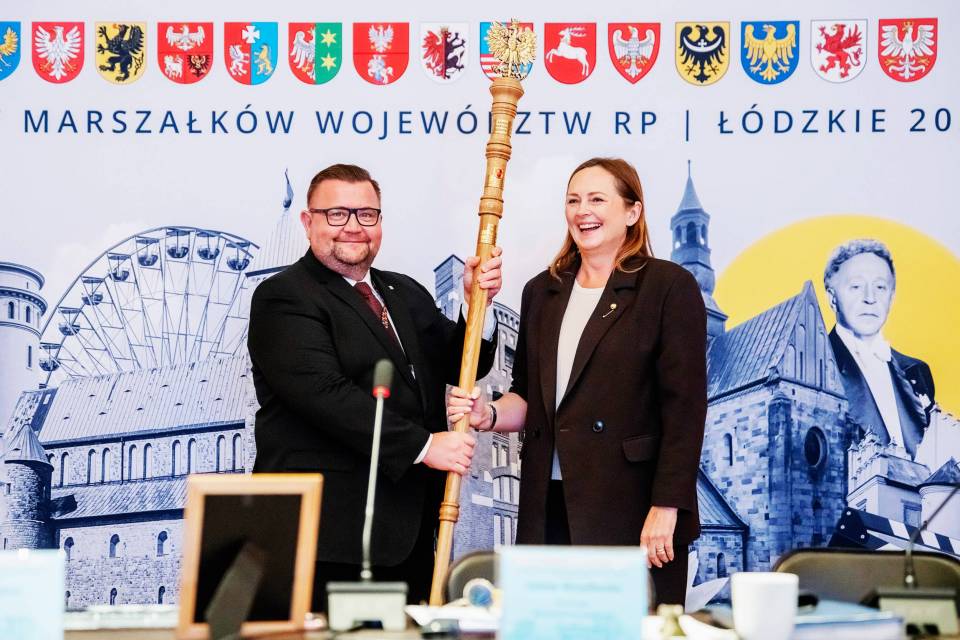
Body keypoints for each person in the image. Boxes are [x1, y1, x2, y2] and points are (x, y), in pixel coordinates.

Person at [448, 157, 707, 606]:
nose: (582, 211)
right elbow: (529, 396)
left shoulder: (668, 287)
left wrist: (667, 507)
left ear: (632, 212)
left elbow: (684, 410)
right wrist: (487, 413)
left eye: (597, 199)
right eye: (573, 200)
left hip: (631, 505)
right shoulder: (541, 291)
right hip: (546, 505)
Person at [248, 163, 501, 609]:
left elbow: (463, 361)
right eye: (337, 214)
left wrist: (477, 303)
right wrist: (425, 446)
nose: (353, 227)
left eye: (366, 214)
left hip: (411, 534)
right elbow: (326, 396)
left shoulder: (404, 292)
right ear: (308, 222)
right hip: (329, 541)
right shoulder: (283, 297)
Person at [824, 239, 935, 460]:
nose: (870, 298)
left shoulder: (917, 370)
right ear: (832, 298)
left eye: (880, 287)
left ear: (891, 298)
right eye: (856, 286)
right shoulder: (818, 365)